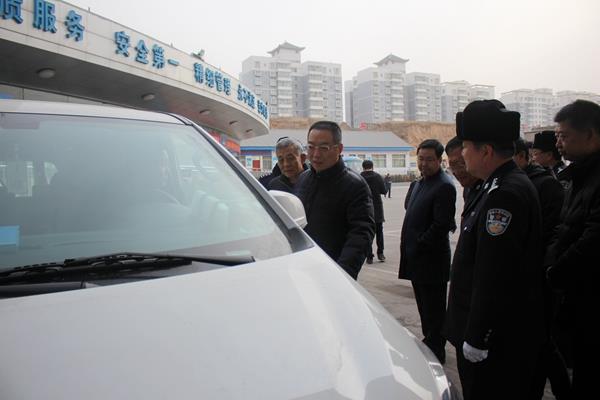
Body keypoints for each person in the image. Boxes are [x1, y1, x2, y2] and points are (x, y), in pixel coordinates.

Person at [444, 100, 545, 400]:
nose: (462, 155)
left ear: (485, 151)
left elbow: (494, 275)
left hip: (495, 341)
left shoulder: (505, 194)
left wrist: (478, 336)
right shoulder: (493, 185)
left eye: (466, 148)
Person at [545, 99, 600, 398]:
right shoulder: (578, 176)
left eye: (564, 136)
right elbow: (563, 227)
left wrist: (555, 270)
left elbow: (592, 241)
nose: (558, 143)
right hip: (574, 296)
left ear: (590, 135)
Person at [513, 138, 571, 399]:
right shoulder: (517, 182)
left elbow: (553, 231)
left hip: (541, 275)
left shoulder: (546, 185)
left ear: (522, 156)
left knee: (542, 340)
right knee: (536, 341)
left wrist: (543, 266)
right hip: (527, 275)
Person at [399, 139, 457, 364]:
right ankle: (430, 341)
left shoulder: (444, 185)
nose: (424, 164)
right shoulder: (419, 183)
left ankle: (436, 349)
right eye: (421, 159)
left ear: (440, 160)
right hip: (416, 257)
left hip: (431, 259)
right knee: (424, 307)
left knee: (434, 310)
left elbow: (441, 225)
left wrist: (420, 243)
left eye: (429, 160)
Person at [295, 121, 375, 280]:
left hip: (333, 272)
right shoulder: (303, 179)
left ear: (339, 149)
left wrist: (342, 274)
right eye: (311, 147)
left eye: (323, 148)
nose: (315, 154)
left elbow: (361, 234)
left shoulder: (354, 185)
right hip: (302, 268)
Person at [445, 134, 482, 208]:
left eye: (461, 163)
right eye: (452, 165)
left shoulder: (490, 190)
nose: (456, 172)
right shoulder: (468, 188)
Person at [360, 160, 387, 263]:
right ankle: (380, 253)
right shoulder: (377, 177)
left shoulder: (359, 177)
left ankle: (369, 256)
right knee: (379, 232)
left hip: (364, 208)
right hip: (377, 208)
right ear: (372, 166)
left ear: (363, 167)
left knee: (367, 233)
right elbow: (384, 190)